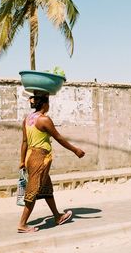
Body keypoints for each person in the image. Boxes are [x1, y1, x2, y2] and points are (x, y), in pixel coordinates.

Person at [18, 94, 85, 233]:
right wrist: (75, 150)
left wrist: (22, 160)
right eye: (48, 103)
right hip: (40, 159)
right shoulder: (44, 119)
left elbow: (24, 141)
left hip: (30, 157)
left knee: (46, 188)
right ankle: (22, 224)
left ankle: (57, 216)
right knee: (33, 190)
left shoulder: (27, 119)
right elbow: (58, 137)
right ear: (44, 104)